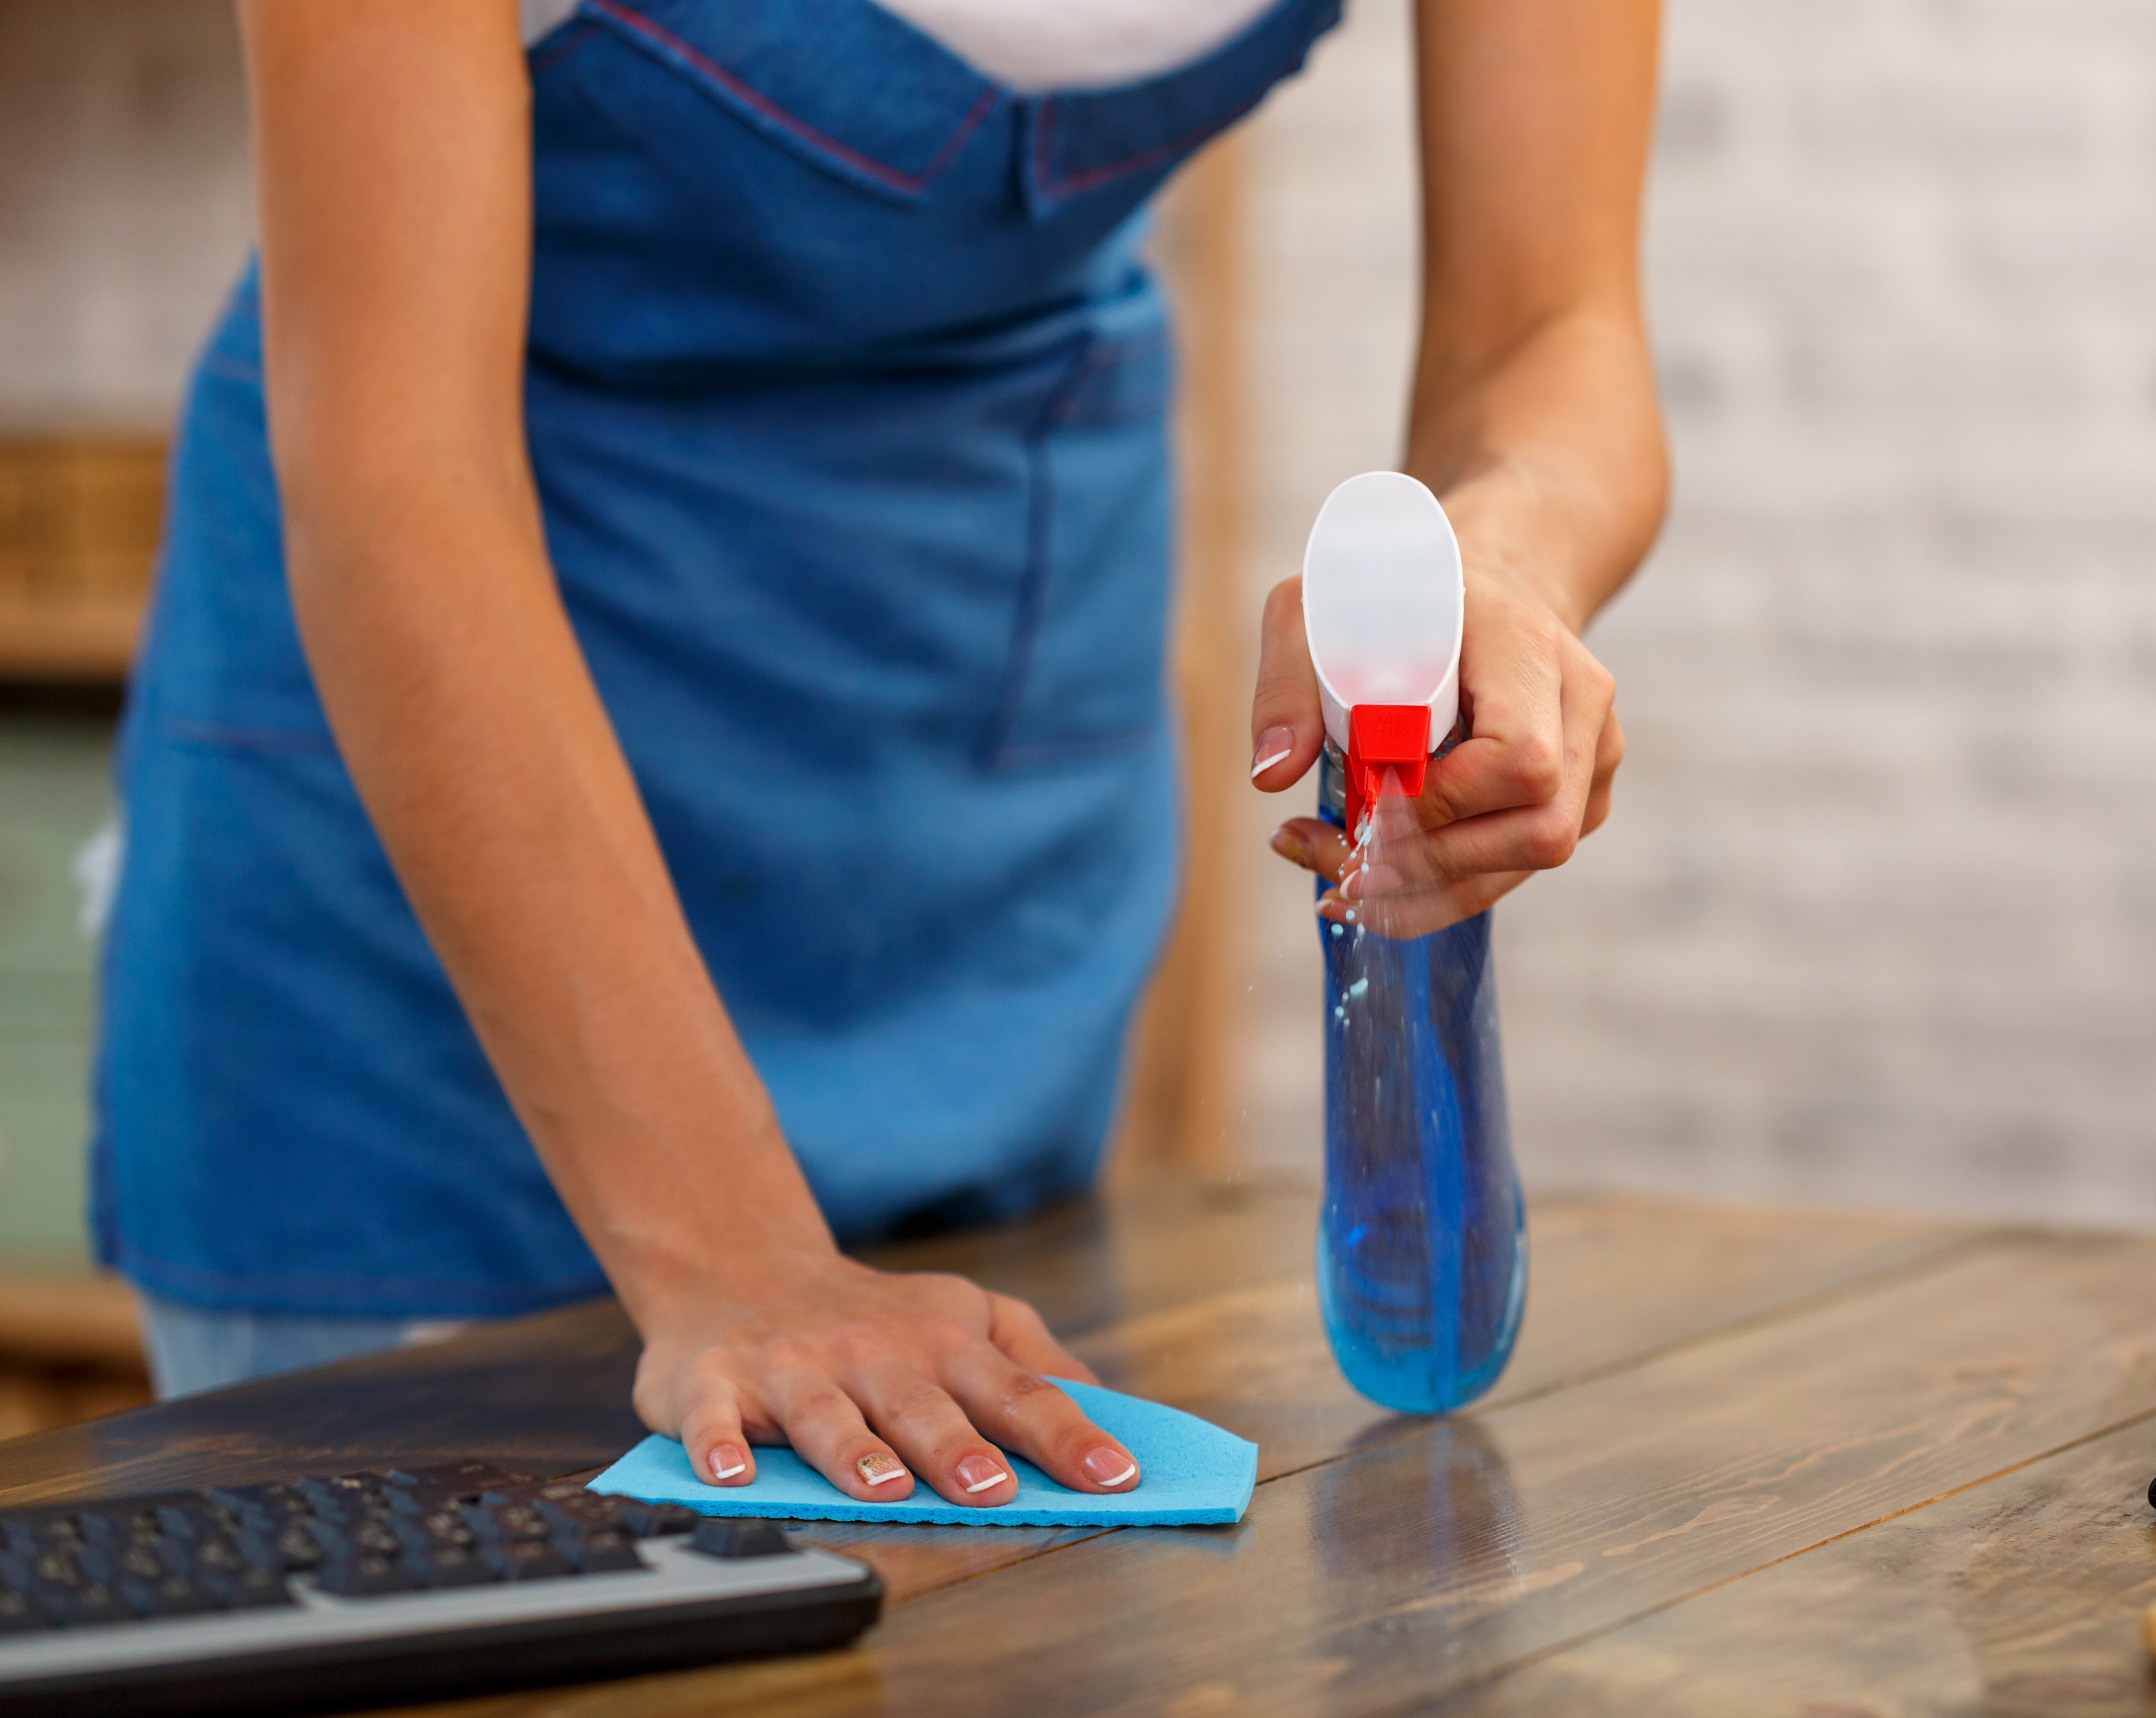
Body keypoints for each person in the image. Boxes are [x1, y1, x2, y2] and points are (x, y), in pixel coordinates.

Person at [93, 0, 1665, 1508]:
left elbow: (1553, 322)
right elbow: (398, 468)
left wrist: (1505, 553)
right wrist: (734, 1259)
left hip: (972, 812)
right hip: (441, 881)